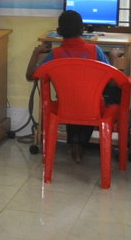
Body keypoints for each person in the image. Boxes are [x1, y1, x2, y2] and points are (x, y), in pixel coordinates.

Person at [24, 10, 122, 163]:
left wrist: (36, 53)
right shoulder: (95, 50)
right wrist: (114, 58)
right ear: (82, 30)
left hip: (66, 106)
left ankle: (75, 143)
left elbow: (30, 75)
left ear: (59, 32)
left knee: (72, 98)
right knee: (97, 98)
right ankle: (79, 143)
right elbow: (113, 80)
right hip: (92, 107)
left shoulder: (55, 54)